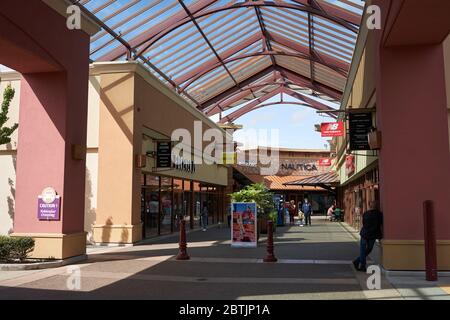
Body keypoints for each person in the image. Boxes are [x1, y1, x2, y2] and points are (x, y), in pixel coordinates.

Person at [353, 200, 383, 272]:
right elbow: (380, 224)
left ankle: (358, 262)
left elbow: (364, 223)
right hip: (372, 234)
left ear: (370, 206)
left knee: (363, 250)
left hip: (364, 233)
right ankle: (361, 264)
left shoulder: (366, 213)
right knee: (368, 249)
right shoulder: (379, 214)